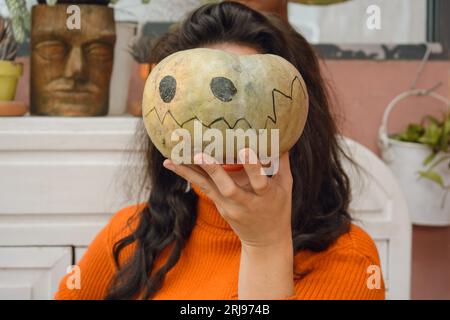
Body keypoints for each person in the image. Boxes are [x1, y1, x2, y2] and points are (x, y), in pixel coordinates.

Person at [55, 1, 385, 300]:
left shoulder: (350, 261)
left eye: (253, 101)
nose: (228, 137)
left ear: (298, 121)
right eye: (207, 112)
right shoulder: (129, 236)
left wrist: (266, 245)